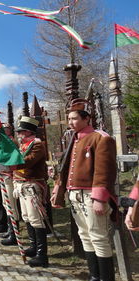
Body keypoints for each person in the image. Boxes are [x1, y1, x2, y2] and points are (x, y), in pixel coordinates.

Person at [51, 99, 117, 281]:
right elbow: (67, 167)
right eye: (69, 119)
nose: (70, 122)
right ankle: (94, 276)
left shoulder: (101, 137)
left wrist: (99, 198)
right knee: (85, 236)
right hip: (75, 195)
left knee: (98, 237)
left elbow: (104, 170)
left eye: (74, 118)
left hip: (91, 196)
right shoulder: (74, 138)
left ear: (86, 118)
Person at [11, 116, 48, 267]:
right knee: (26, 217)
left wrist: (11, 163)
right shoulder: (23, 145)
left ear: (28, 132)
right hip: (21, 185)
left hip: (32, 185)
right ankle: (33, 247)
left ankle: (42, 255)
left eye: (21, 131)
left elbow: (30, 161)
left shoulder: (37, 145)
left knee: (36, 219)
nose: (19, 134)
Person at [0, 123, 20, 246]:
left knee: (11, 205)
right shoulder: (2, 143)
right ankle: (10, 230)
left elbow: (12, 159)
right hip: (2, 176)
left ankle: (14, 233)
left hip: (9, 175)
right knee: (6, 204)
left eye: (5, 129)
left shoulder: (12, 142)